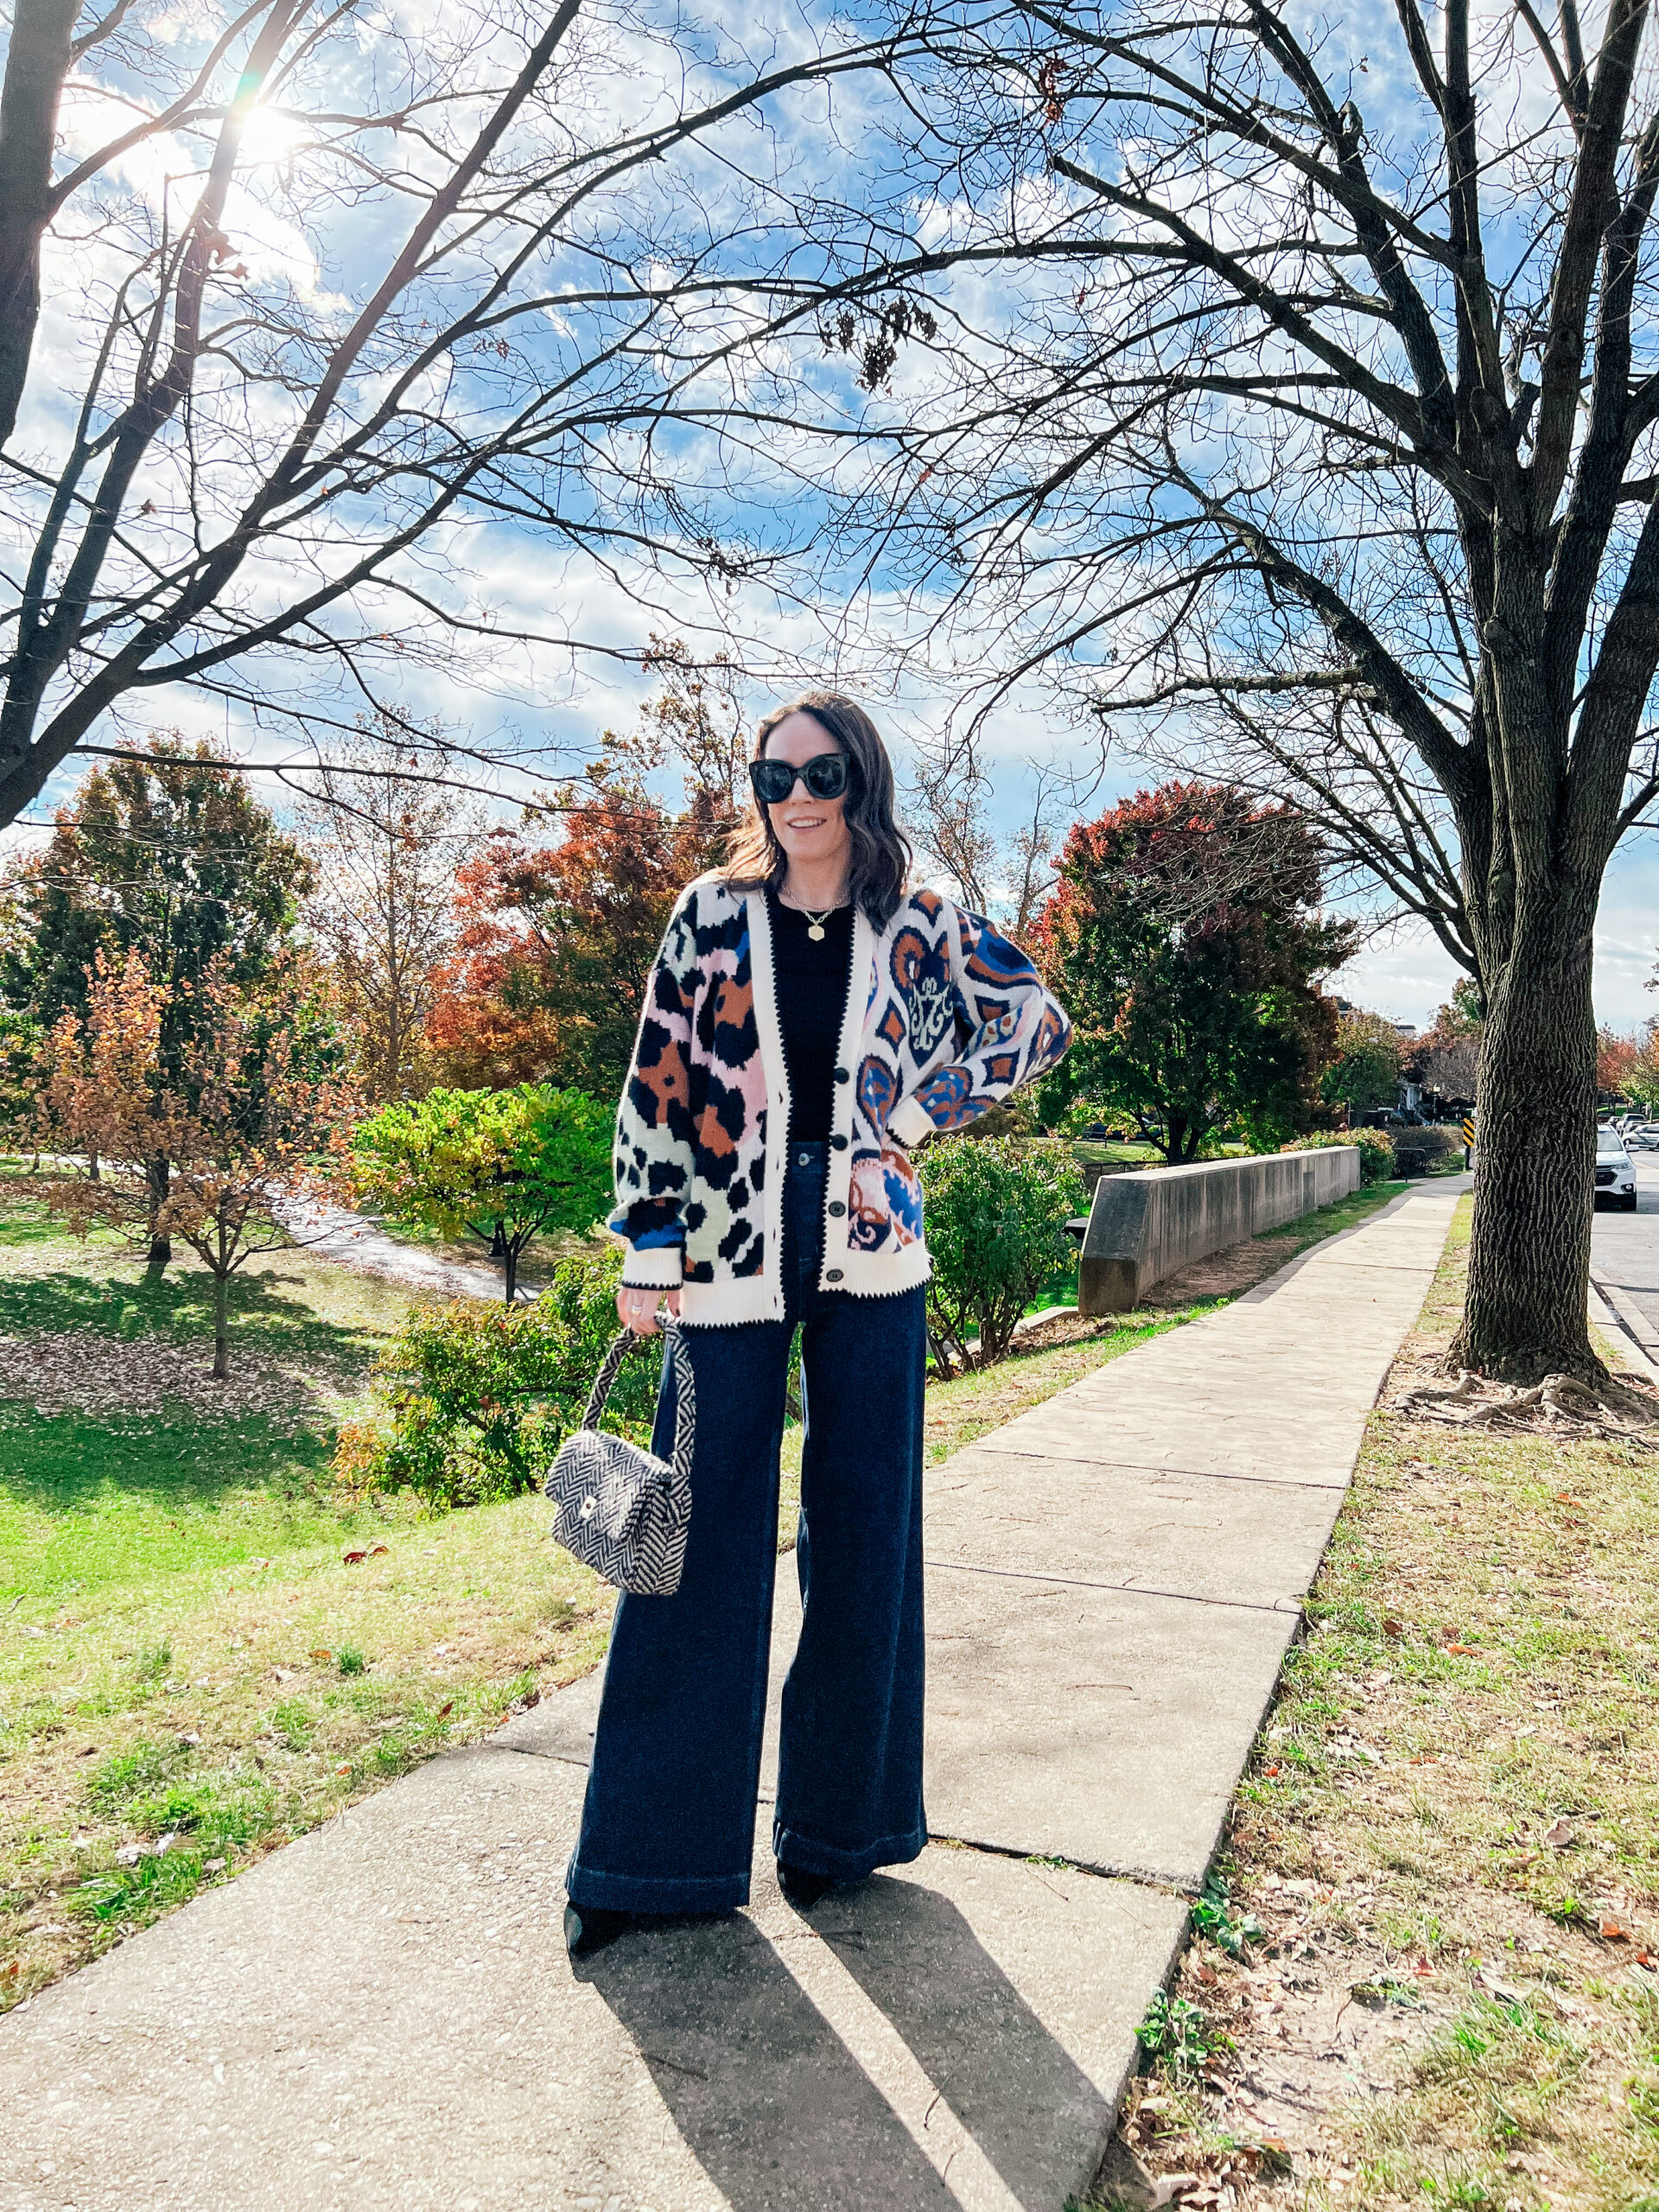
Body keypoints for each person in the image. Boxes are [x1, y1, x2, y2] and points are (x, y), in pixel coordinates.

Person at [563, 690, 1071, 1955]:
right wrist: (647, 1234)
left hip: (872, 1258)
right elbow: (657, 1084)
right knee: (693, 1548)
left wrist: (904, 1121)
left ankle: (840, 1838)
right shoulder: (709, 914)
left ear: (862, 781)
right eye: (775, 773)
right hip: (724, 1257)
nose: (797, 795)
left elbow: (1032, 1025)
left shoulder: (921, 917)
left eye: (823, 772)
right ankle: (646, 1862)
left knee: (864, 1542)